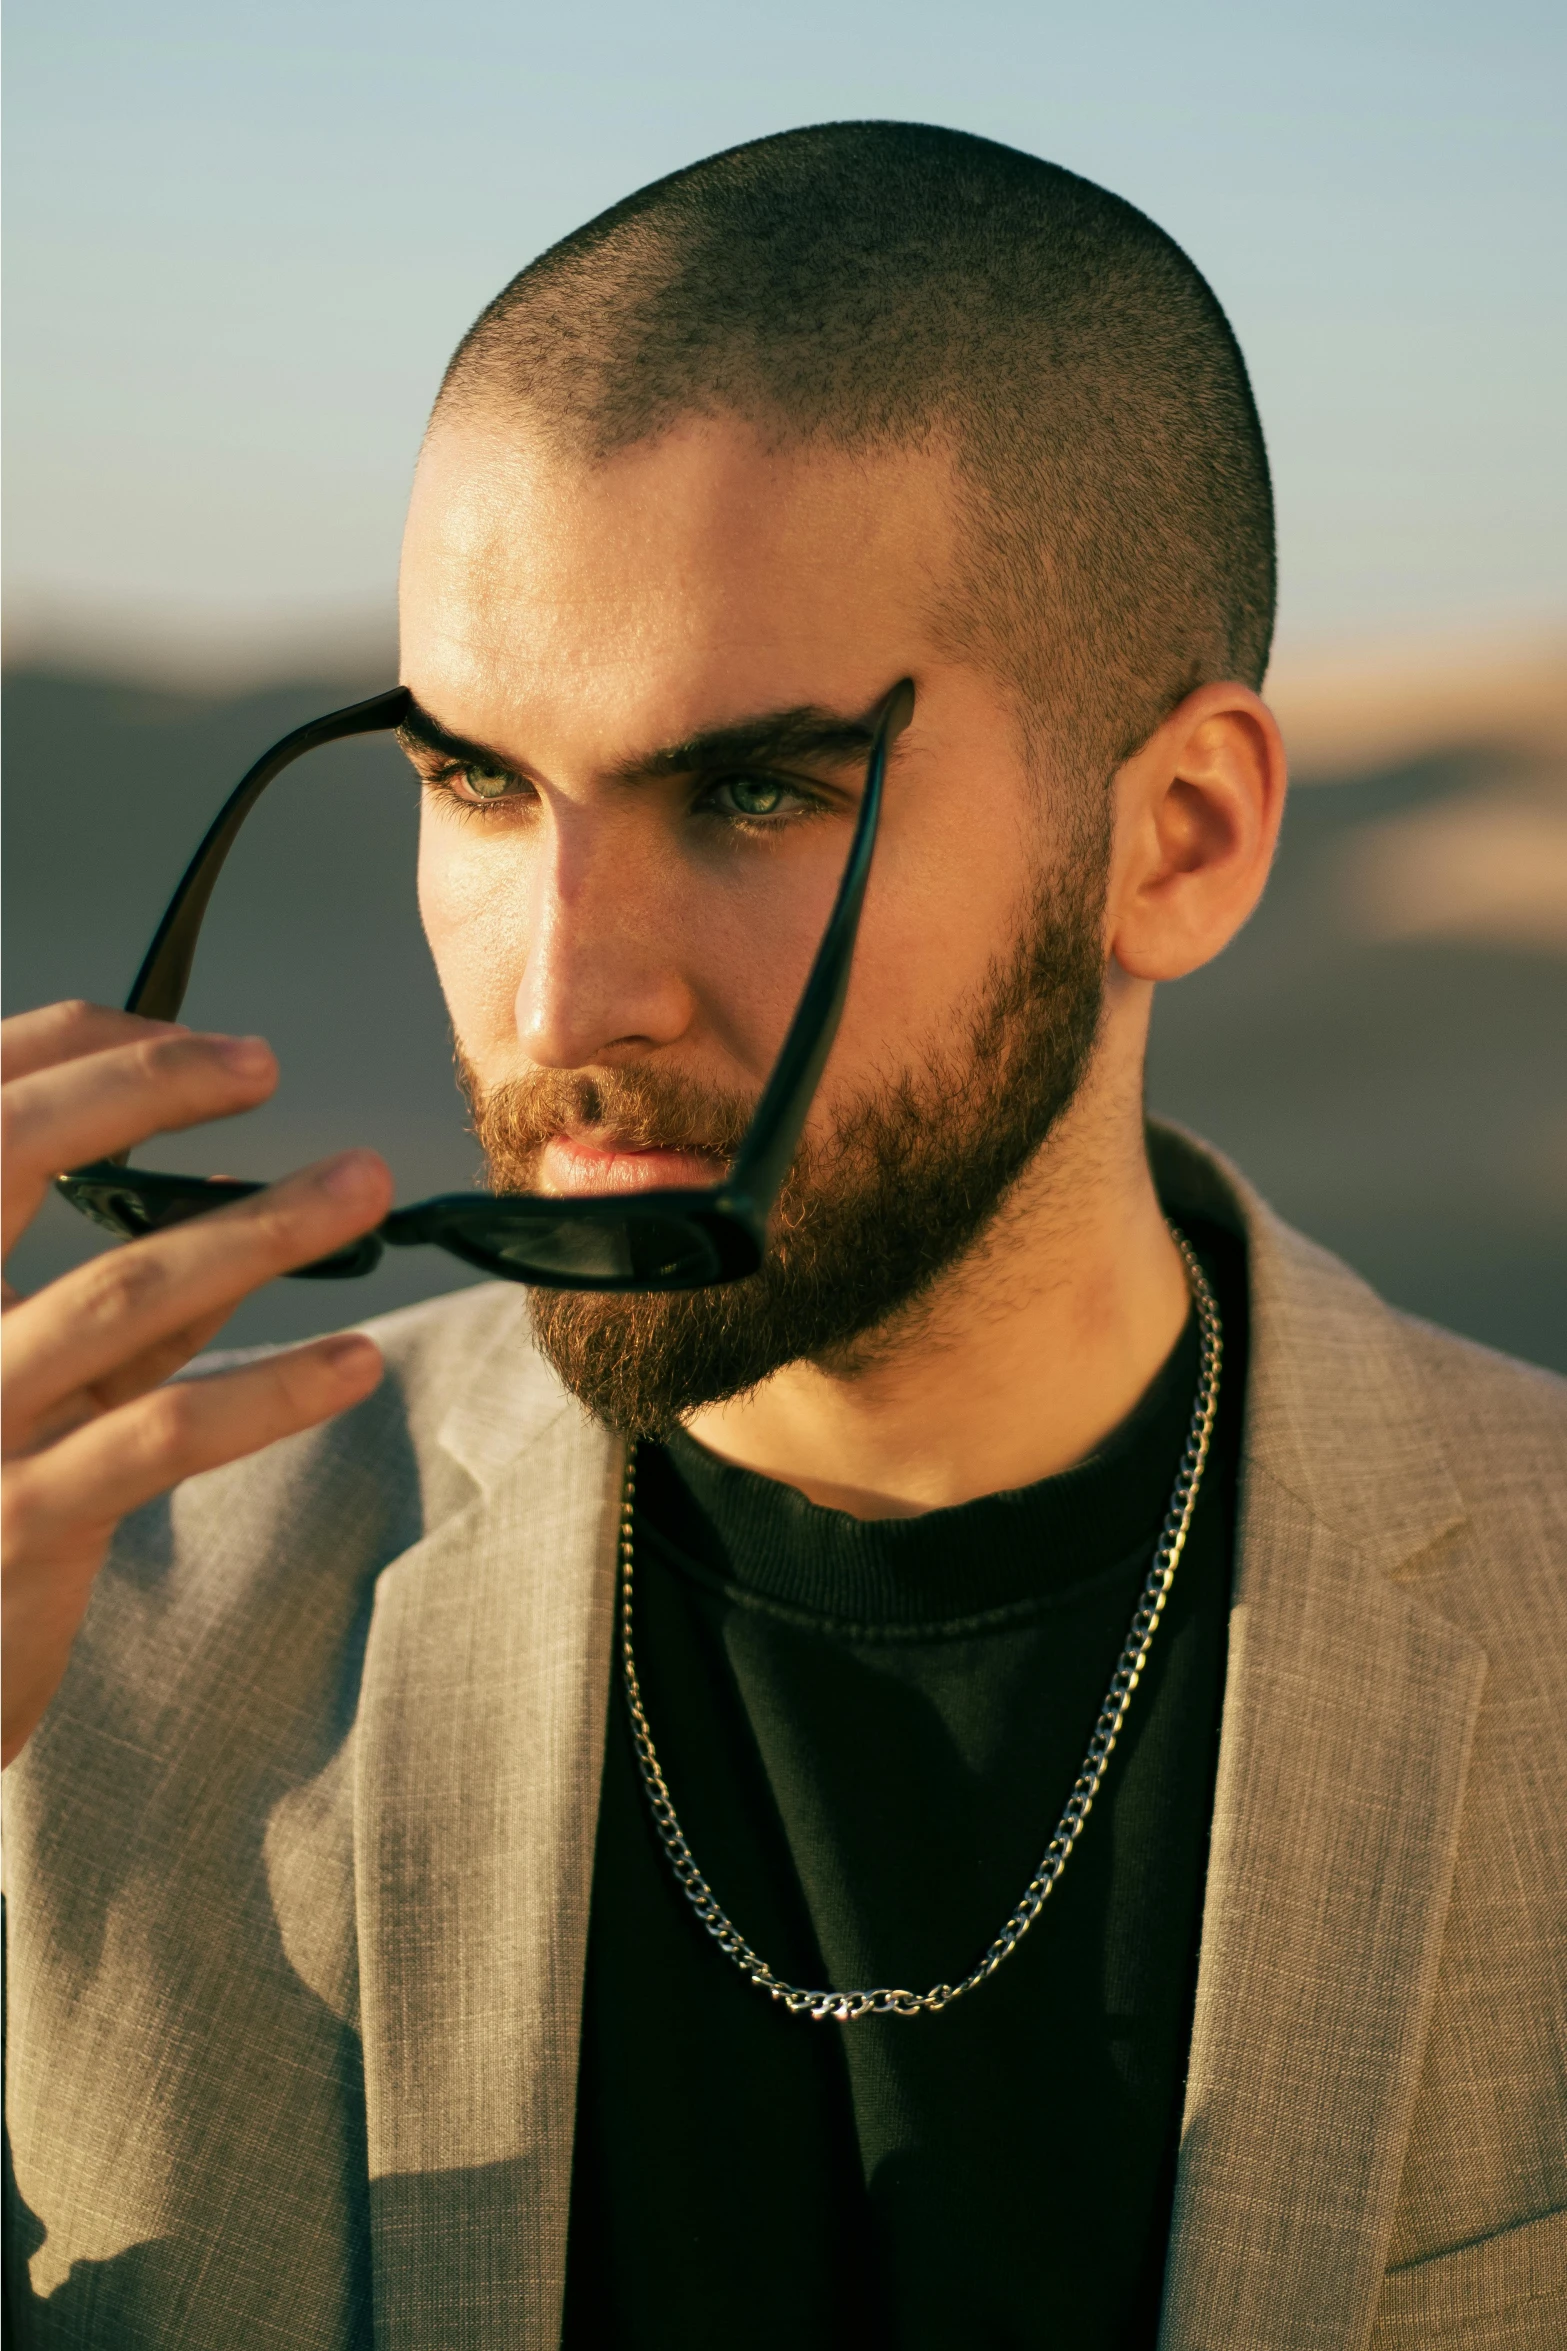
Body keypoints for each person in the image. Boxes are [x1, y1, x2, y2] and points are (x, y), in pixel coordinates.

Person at [3, 122, 1563, 2351]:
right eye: (474, 782)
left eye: (751, 793)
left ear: (1185, 840)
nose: (559, 999)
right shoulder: (95, 1632)